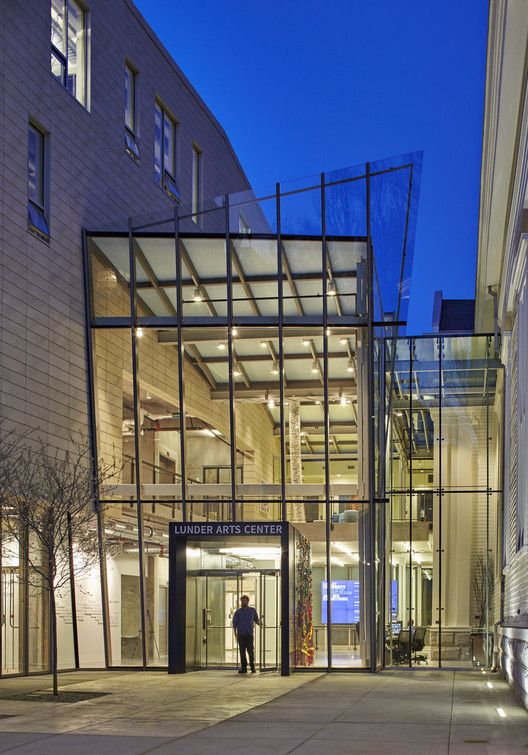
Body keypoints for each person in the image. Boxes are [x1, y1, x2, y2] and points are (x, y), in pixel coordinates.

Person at [232, 595, 260, 673]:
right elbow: (234, 624)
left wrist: (261, 624)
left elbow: (256, 620)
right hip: (241, 634)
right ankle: (244, 668)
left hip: (249, 634)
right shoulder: (238, 612)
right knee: (242, 651)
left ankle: (252, 667)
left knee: (251, 651)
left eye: (245, 601)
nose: (243, 602)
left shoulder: (252, 610)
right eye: (242, 601)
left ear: (248, 601)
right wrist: (235, 635)